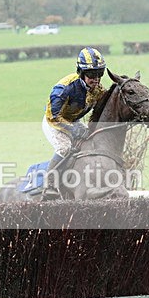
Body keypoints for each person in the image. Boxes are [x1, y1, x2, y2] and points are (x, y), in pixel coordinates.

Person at [41, 47, 108, 199]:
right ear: (82, 73)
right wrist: (75, 131)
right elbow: (54, 117)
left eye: (100, 74)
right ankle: (49, 184)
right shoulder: (64, 89)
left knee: (90, 142)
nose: (96, 79)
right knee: (64, 148)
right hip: (53, 121)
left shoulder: (97, 89)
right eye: (92, 74)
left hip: (72, 119)